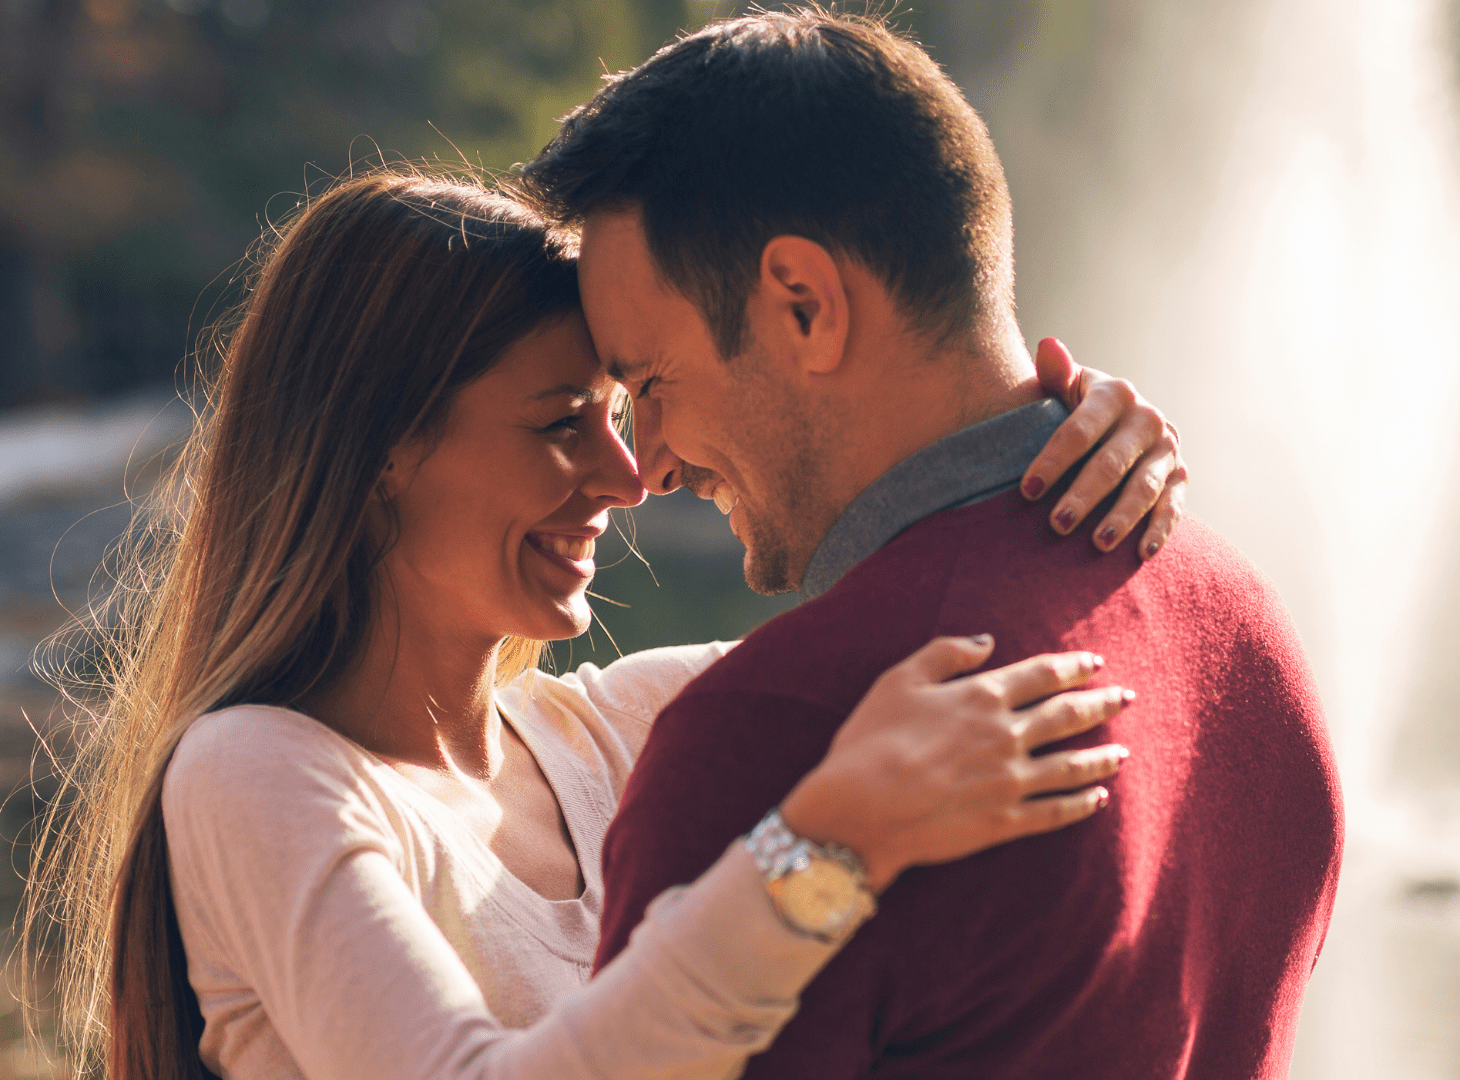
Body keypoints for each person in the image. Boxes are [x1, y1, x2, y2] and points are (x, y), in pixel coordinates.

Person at [20, 170, 1187, 1080]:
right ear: (381, 452)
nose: (628, 475)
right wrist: (825, 848)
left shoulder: (637, 724)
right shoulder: (257, 775)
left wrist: (1068, 443)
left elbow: (935, 614)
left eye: (623, 414)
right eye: (559, 425)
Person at [517, 9, 1342, 1080]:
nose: (652, 466)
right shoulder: (1249, 631)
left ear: (803, 306)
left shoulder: (781, 742)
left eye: (650, 386)